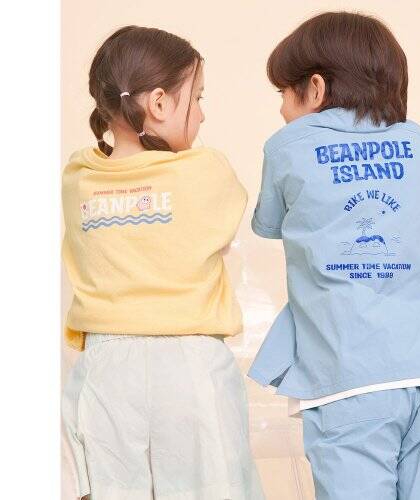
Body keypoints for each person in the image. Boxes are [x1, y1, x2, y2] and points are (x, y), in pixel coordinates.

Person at [62, 25, 264, 500]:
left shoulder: (78, 179)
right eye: (196, 98)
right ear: (158, 103)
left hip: (106, 371)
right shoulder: (205, 172)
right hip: (189, 366)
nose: (202, 113)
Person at [248, 12, 420, 500]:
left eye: (283, 94)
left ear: (314, 88)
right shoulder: (419, 142)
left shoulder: (288, 146)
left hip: (348, 378)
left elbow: (267, 225)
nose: (282, 109)